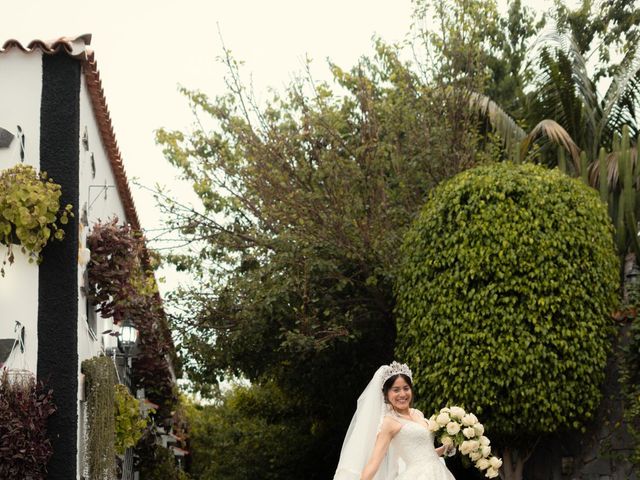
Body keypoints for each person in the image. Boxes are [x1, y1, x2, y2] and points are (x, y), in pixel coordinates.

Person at [334, 362, 456, 480]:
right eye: (396, 390)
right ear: (386, 394)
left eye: (406, 388)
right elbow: (374, 463)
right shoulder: (389, 422)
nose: (402, 394)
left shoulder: (418, 413)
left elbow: (424, 455)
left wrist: (446, 448)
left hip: (438, 472)